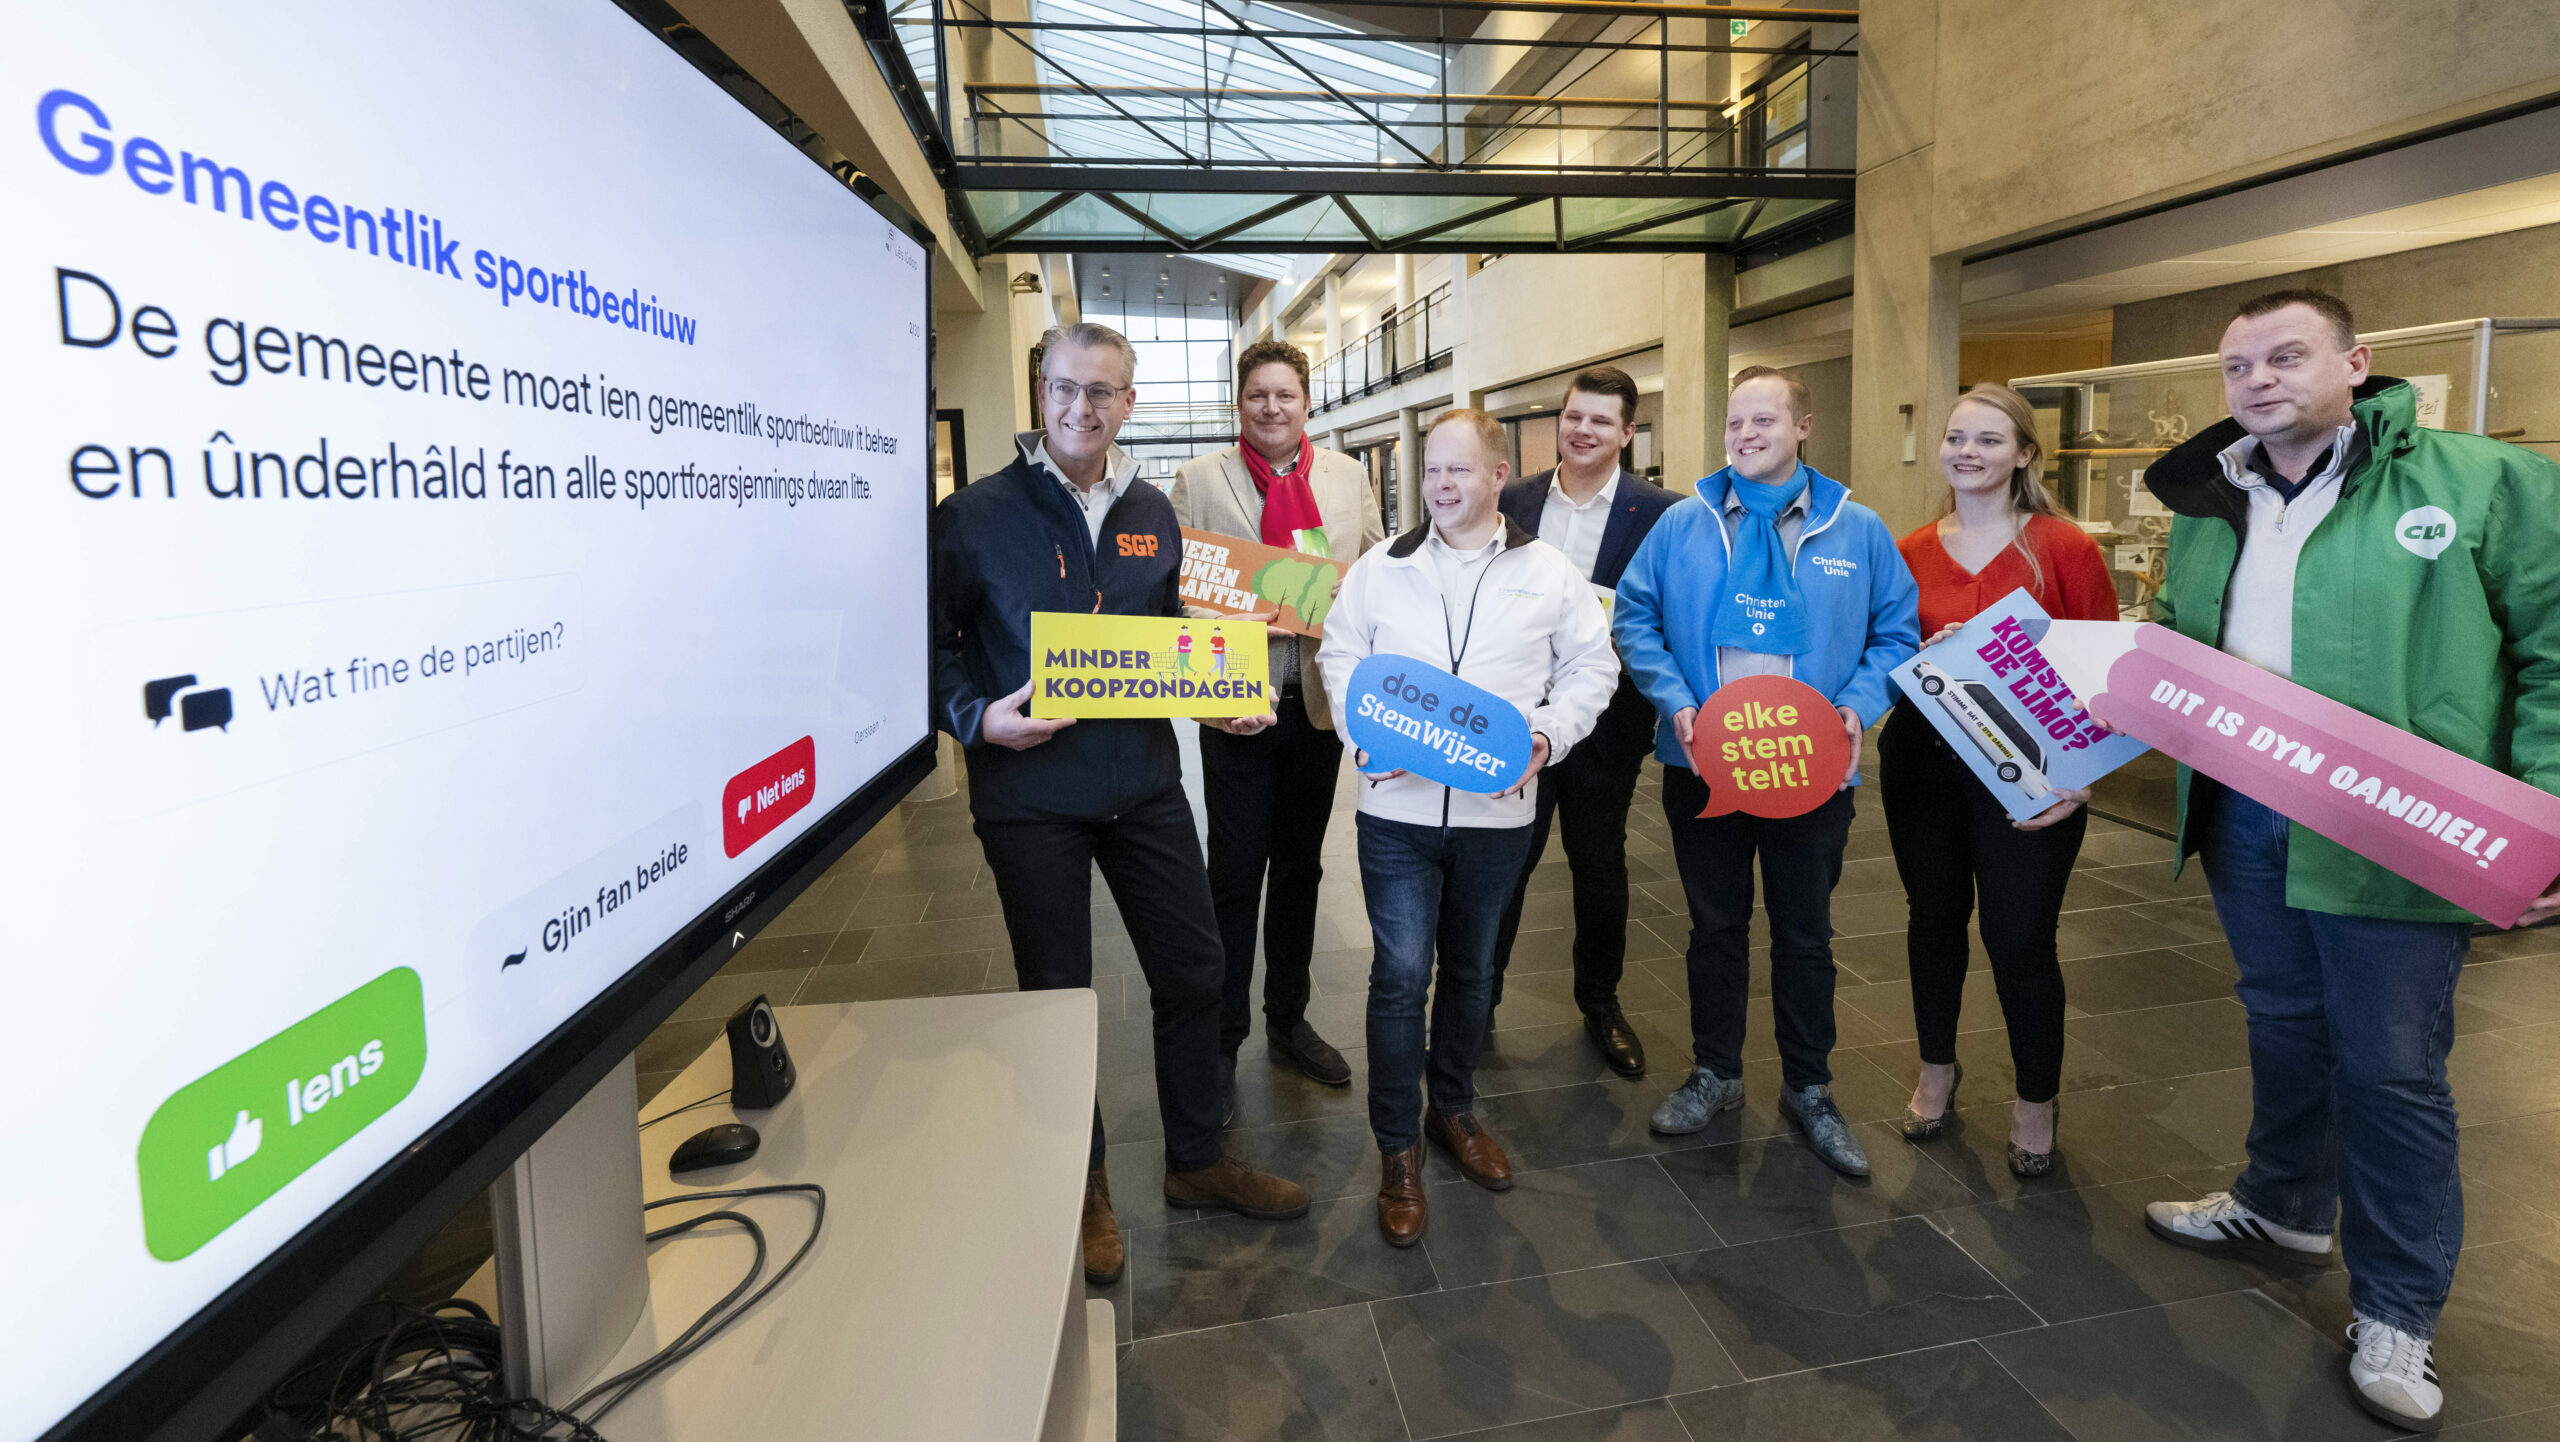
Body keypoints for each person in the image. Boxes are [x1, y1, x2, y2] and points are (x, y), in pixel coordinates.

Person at [2135, 289, 2560, 1432]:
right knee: (2280, 1020)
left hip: (2399, 824)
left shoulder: (2483, 483)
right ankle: (2281, 1203)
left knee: (2389, 1066)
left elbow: (2555, 645)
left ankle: (2397, 1308)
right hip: (2242, 810)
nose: (2258, 380)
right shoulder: (2207, 498)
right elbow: (2173, 642)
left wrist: (2547, 808)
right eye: (2237, 365)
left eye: (2285, 355)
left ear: (2356, 362)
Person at [931, 321, 1311, 1290]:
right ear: (1040, 392)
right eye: (1064, 387)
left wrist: (1219, 695)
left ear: (1128, 403)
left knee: (1194, 967)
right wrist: (977, 718)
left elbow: (1168, 634)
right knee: (1060, 996)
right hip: (1030, 796)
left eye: (1101, 391)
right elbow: (927, 645)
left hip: (1142, 783)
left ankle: (1195, 1158)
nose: (1080, 407)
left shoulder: (1151, 508)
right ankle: (1086, 1182)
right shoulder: (973, 514)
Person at [1316, 408, 1617, 1246]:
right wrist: (1360, 731)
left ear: (1497, 477)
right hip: (1396, 816)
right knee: (1401, 974)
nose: (1442, 485)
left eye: (1459, 469)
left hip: (1498, 815)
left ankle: (1451, 1109)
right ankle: (1397, 1147)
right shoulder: (1381, 567)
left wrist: (1547, 737)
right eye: (1432, 470)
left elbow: (1593, 664)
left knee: (1474, 970)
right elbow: (1340, 654)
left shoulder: (1548, 570)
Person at [1613, 365, 1919, 1178]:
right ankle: (1715, 1071)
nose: (1745, 435)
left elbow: (1897, 634)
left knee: (1805, 934)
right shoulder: (1682, 523)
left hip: (1810, 770)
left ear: (1803, 427)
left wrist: (1856, 706)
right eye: (1735, 422)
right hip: (1703, 764)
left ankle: (1810, 1086)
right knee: (1713, 928)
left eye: (1764, 421)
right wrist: (1675, 700)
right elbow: (1635, 616)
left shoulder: (1858, 530)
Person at [1881, 384, 2117, 1177]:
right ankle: (1936, 1070)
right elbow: (1882, 661)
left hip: (2035, 771)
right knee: (1933, 920)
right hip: (1925, 761)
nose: (1967, 453)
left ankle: (2035, 1100)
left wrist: (2081, 779)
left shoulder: (2064, 548)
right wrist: (1925, 659)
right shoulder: (1909, 550)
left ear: (2024, 454)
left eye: (1988, 440)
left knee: (2020, 937)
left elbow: (2105, 674)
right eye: (1956, 438)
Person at [1169, 341, 1386, 1110]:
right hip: (1238, 706)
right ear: (1240, 403)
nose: (1271, 407)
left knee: (1301, 869)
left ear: (1306, 402)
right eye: (1258, 395)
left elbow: (1372, 576)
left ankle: (1288, 1019)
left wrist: (1351, 606)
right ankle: (1224, 1034)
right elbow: (1174, 591)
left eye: (1285, 394)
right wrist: (1231, 620)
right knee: (1233, 875)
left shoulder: (1347, 477)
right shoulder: (1199, 480)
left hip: (1317, 708)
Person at [1486, 367, 1680, 1077]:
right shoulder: (1514, 499)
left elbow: (1672, 610)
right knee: (1503, 863)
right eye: (1574, 416)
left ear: (1627, 432)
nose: (1583, 430)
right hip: (1512, 718)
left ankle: (1600, 1003)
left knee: (1599, 865)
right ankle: (1478, 999)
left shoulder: (1662, 513)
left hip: (1605, 722)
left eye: (1601, 420)